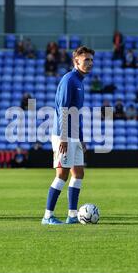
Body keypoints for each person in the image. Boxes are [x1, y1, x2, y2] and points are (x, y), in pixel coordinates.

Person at [42, 46, 94, 225]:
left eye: (91, 60)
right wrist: (64, 137)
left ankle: (72, 214)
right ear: (76, 61)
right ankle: (48, 216)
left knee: (78, 173)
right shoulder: (69, 80)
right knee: (62, 175)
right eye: (86, 59)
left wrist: (80, 137)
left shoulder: (80, 81)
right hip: (63, 135)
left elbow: (75, 113)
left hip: (73, 135)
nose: (89, 63)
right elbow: (63, 109)